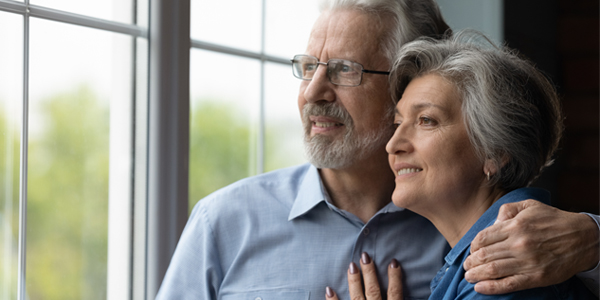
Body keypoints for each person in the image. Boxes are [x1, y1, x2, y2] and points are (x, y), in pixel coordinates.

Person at [156, 1, 600, 299]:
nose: (313, 91)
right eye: (308, 66)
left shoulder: (510, 244)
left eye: (345, 70)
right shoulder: (224, 221)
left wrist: (593, 236)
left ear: (403, 85)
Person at [328, 31, 596, 300]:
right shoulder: (476, 261)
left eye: (426, 120)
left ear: (495, 151)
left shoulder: (502, 270)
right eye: (398, 124)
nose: (393, 144)